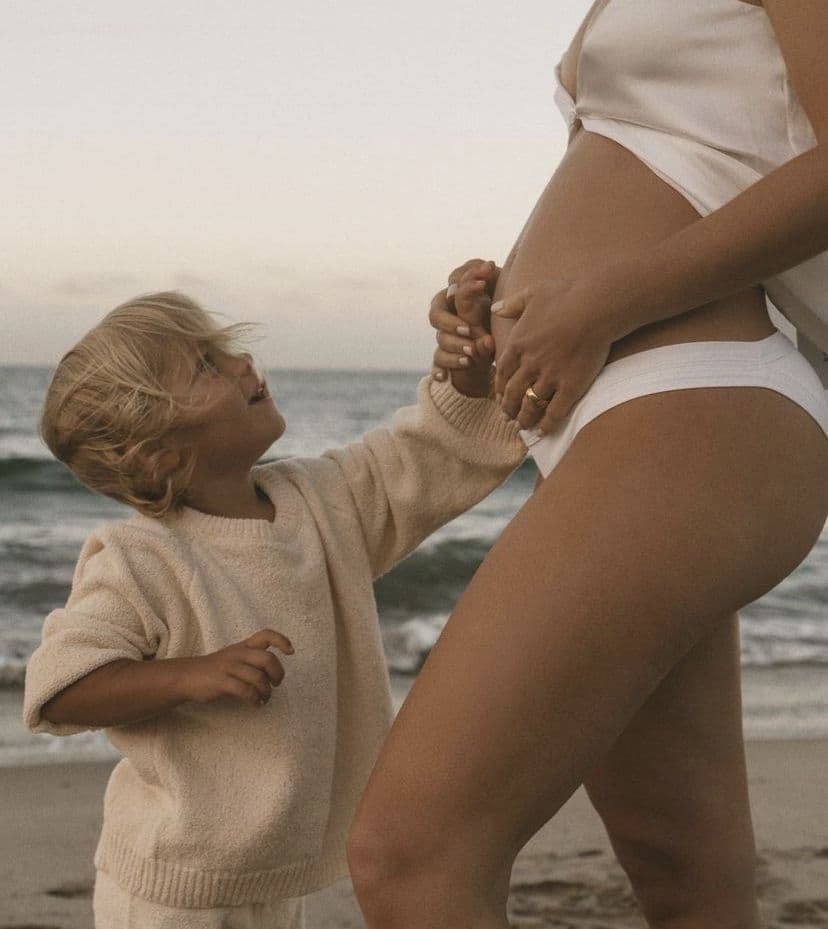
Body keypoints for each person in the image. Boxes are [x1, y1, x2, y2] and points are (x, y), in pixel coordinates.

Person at [344, 3, 828, 928]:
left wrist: (600, 302)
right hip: (632, 416)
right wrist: (500, 313)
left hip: (695, 401)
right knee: (689, 882)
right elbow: (683, 164)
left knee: (408, 857)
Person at [21, 274, 526, 929]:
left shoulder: (319, 500)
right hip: (172, 889)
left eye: (224, 348)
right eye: (205, 365)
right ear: (159, 450)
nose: (240, 363)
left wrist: (466, 374)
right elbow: (59, 687)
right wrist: (189, 676)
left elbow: (424, 459)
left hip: (273, 872)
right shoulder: (141, 560)